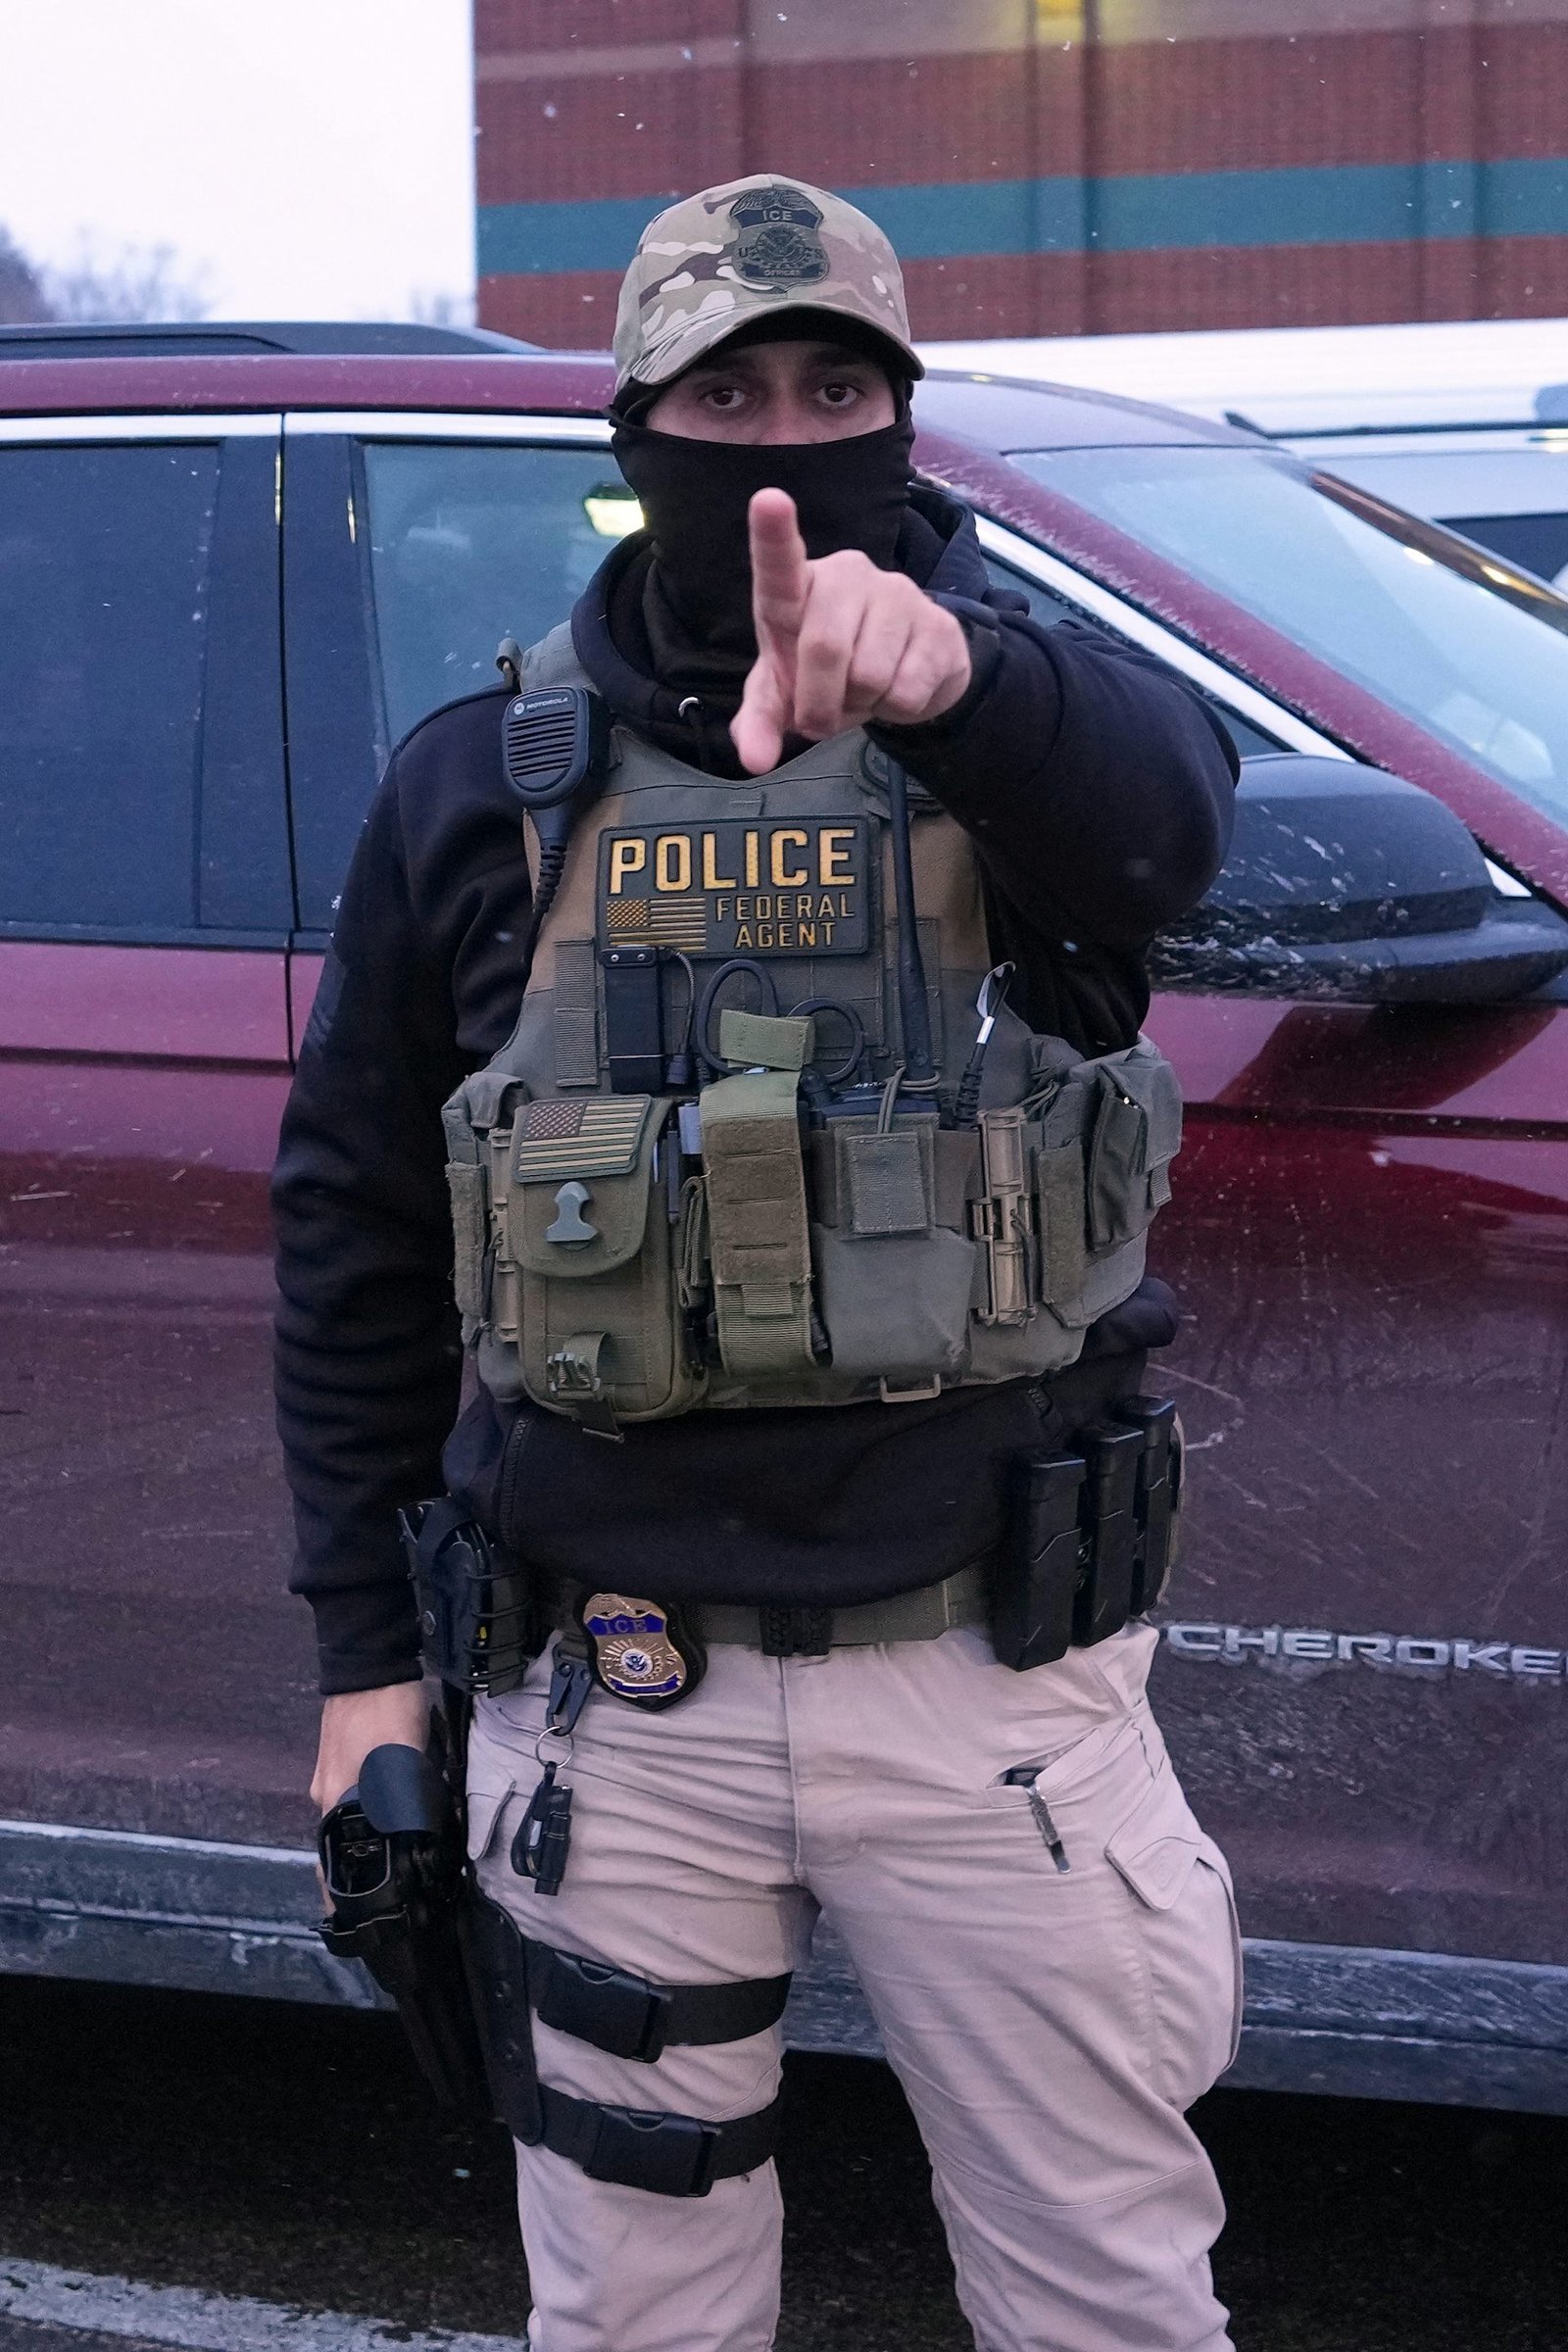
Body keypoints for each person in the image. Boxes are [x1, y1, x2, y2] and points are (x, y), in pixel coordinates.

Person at [275, 173, 1242, 2352]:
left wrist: (960, 678)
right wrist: (360, 1668)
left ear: (901, 434)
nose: (781, 438)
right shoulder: (479, 784)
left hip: (993, 1698)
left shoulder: (1033, 735)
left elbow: (1177, 827)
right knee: (635, 2314)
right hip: (614, 1707)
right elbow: (350, 1234)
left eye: (834, 388)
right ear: (635, 433)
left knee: (1101, 2294)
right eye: (726, 392)